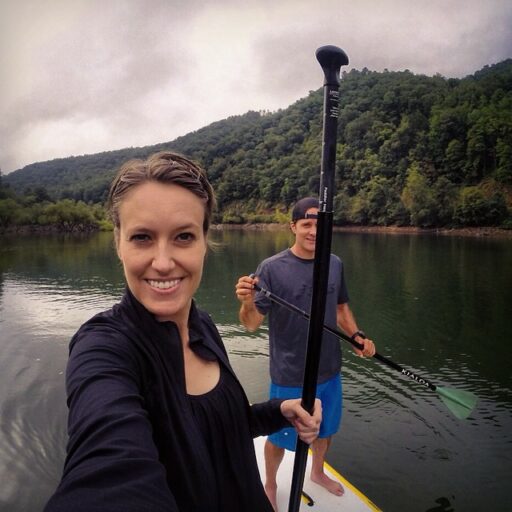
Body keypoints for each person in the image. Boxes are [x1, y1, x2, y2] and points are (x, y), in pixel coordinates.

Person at [44, 152, 322, 512]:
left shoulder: (202, 325)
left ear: (205, 242)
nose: (162, 262)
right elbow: (110, 465)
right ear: (118, 243)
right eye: (142, 237)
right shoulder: (104, 348)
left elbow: (221, 427)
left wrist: (278, 411)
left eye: (184, 236)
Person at [235, 197, 376, 511]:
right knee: (280, 437)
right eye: (307, 225)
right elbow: (251, 324)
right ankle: (269, 484)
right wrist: (247, 301)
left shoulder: (335, 263)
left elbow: (340, 308)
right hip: (290, 373)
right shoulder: (271, 268)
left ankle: (317, 472)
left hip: (329, 369)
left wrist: (356, 335)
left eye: (320, 226)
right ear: (293, 227)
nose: (314, 232)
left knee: (325, 430)